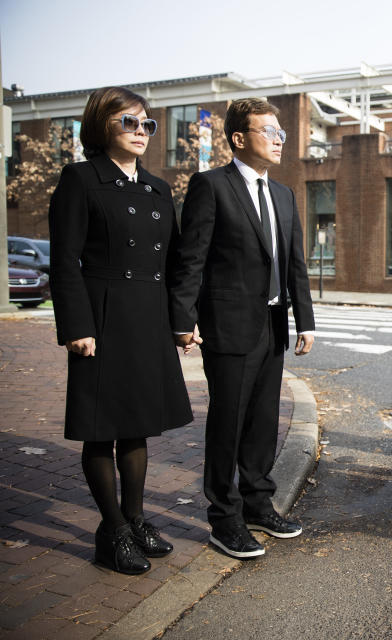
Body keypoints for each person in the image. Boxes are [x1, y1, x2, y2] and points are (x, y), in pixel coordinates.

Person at [48, 87, 193, 574]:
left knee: (137, 426)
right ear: (102, 126)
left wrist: (181, 322)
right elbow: (65, 262)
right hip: (103, 317)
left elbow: (173, 263)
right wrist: (77, 326)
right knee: (101, 429)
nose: (140, 132)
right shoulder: (80, 179)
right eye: (128, 122)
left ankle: (135, 520)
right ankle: (111, 531)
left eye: (146, 125)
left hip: (148, 317)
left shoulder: (157, 189)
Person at [169, 97, 315, 559]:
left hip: (272, 324)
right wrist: (182, 319)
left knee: (263, 421)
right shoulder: (211, 186)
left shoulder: (284, 194)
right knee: (228, 424)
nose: (278, 140)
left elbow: (295, 264)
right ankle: (223, 519)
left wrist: (305, 321)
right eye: (268, 131)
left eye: (281, 133)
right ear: (238, 138)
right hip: (228, 326)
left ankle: (258, 504)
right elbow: (191, 258)